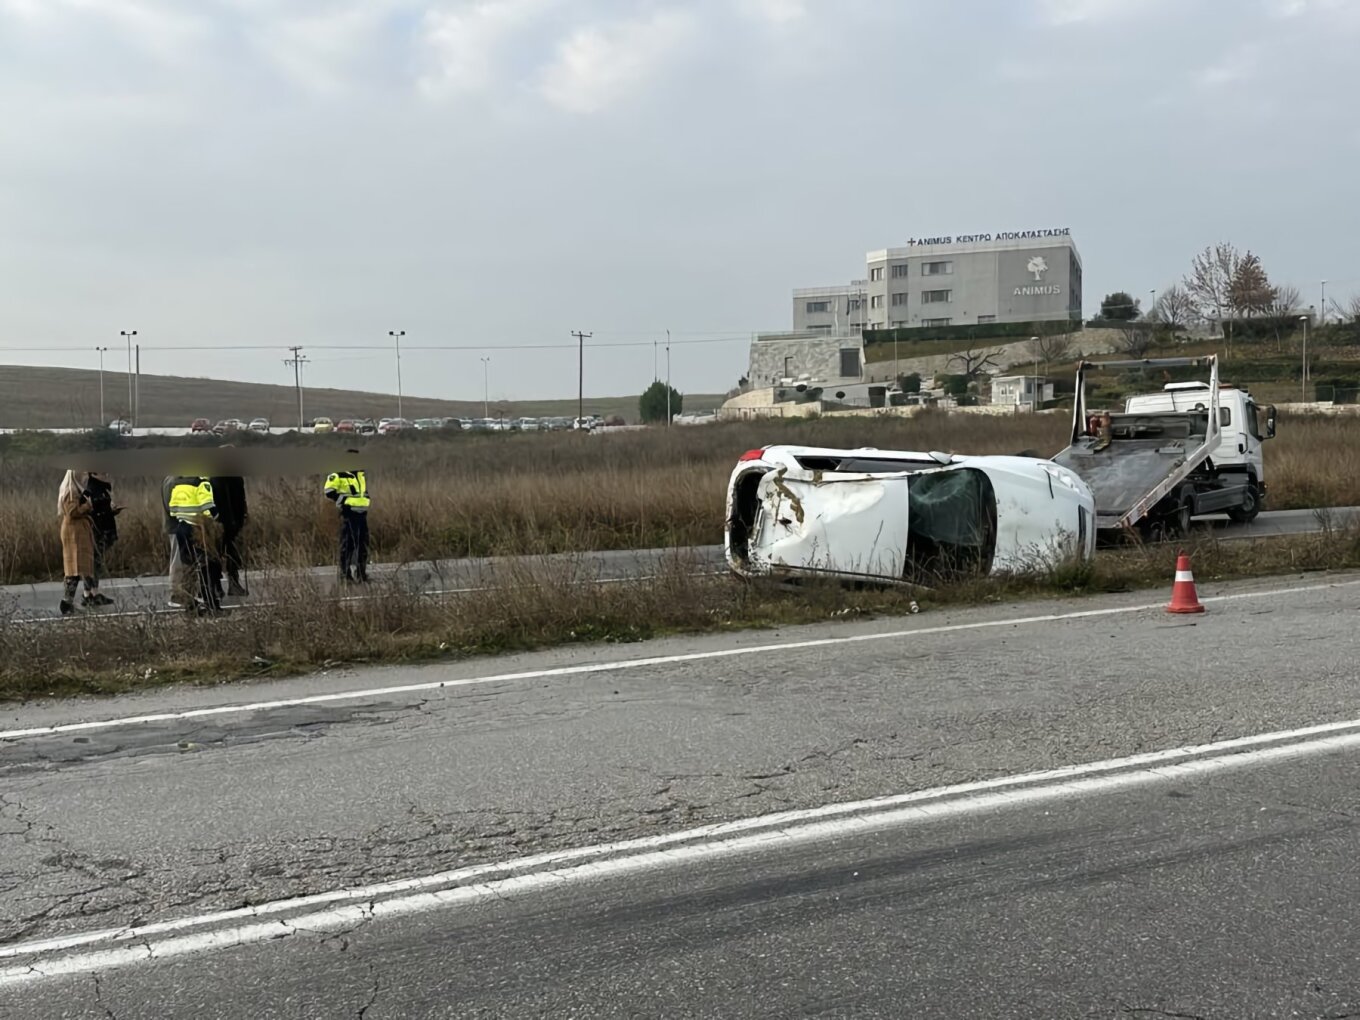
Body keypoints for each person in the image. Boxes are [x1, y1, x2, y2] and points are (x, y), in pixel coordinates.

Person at [57, 470, 111, 614]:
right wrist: (88, 506)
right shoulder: (71, 490)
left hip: (79, 531)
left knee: (79, 566)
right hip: (74, 532)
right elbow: (72, 511)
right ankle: (66, 602)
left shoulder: (77, 490)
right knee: (73, 567)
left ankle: (74, 599)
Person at [165, 474, 221, 613]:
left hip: (181, 527)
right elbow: (208, 507)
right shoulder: (201, 483)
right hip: (198, 528)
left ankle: (190, 605)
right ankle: (211, 603)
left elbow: (172, 508)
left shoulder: (178, 483)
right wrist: (215, 518)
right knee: (207, 565)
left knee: (188, 566)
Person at [324, 451, 370, 584]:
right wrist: (342, 500)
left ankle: (361, 574)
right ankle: (345, 575)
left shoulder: (360, 474)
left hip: (362, 514)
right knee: (348, 545)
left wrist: (367, 498)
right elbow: (328, 490)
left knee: (363, 545)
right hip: (349, 514)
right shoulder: (339, 473)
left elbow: (362, 492)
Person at [209, 450, 249, 599]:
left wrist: (244, 514)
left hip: (235, 522)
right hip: (220, 522)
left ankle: (234, 584)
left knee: (233, 555)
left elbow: (241, 497)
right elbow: (218, 501)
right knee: (216, 555)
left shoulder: (236, 476)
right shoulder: (215, 477)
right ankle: (216, 586)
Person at [83, 471, 123, 587]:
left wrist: (112, 511)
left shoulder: (102, 489)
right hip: (98, 530)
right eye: (103, 473)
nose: (106, 475)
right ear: (94, 474)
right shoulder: (91, 489)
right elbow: (91, 512)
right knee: (94, 561)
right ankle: (90, 593)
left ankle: (93, 592)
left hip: (105, 528)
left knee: (97, 561)